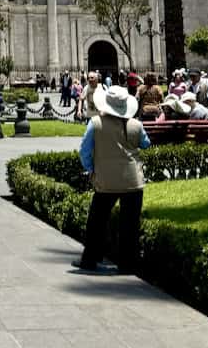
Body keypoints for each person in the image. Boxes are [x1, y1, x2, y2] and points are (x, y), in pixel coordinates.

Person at [76, 85, 151, 273]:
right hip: (133, 180)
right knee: (130, 224)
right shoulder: (136, 124)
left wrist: (91, 169)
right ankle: (127, 264)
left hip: (105, 180)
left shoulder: (95, 123)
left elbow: (84, 151)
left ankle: (90, 259)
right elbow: (146, 143)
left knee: (97, 221)